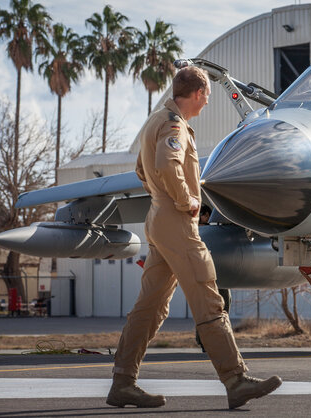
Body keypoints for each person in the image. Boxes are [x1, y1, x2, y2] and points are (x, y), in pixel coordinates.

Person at [106, 66, 281, 409]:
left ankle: (122, 383)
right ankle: (235, 379)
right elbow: (168, 164)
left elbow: (143, 170)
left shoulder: (155, 120)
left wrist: (161, 196)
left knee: (150, 307)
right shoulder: (174, 125)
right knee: (208, 298)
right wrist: (186, 200)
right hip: (176, 222)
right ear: (198, 93)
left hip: (157, 219)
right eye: (207, 97)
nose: (206, 104)